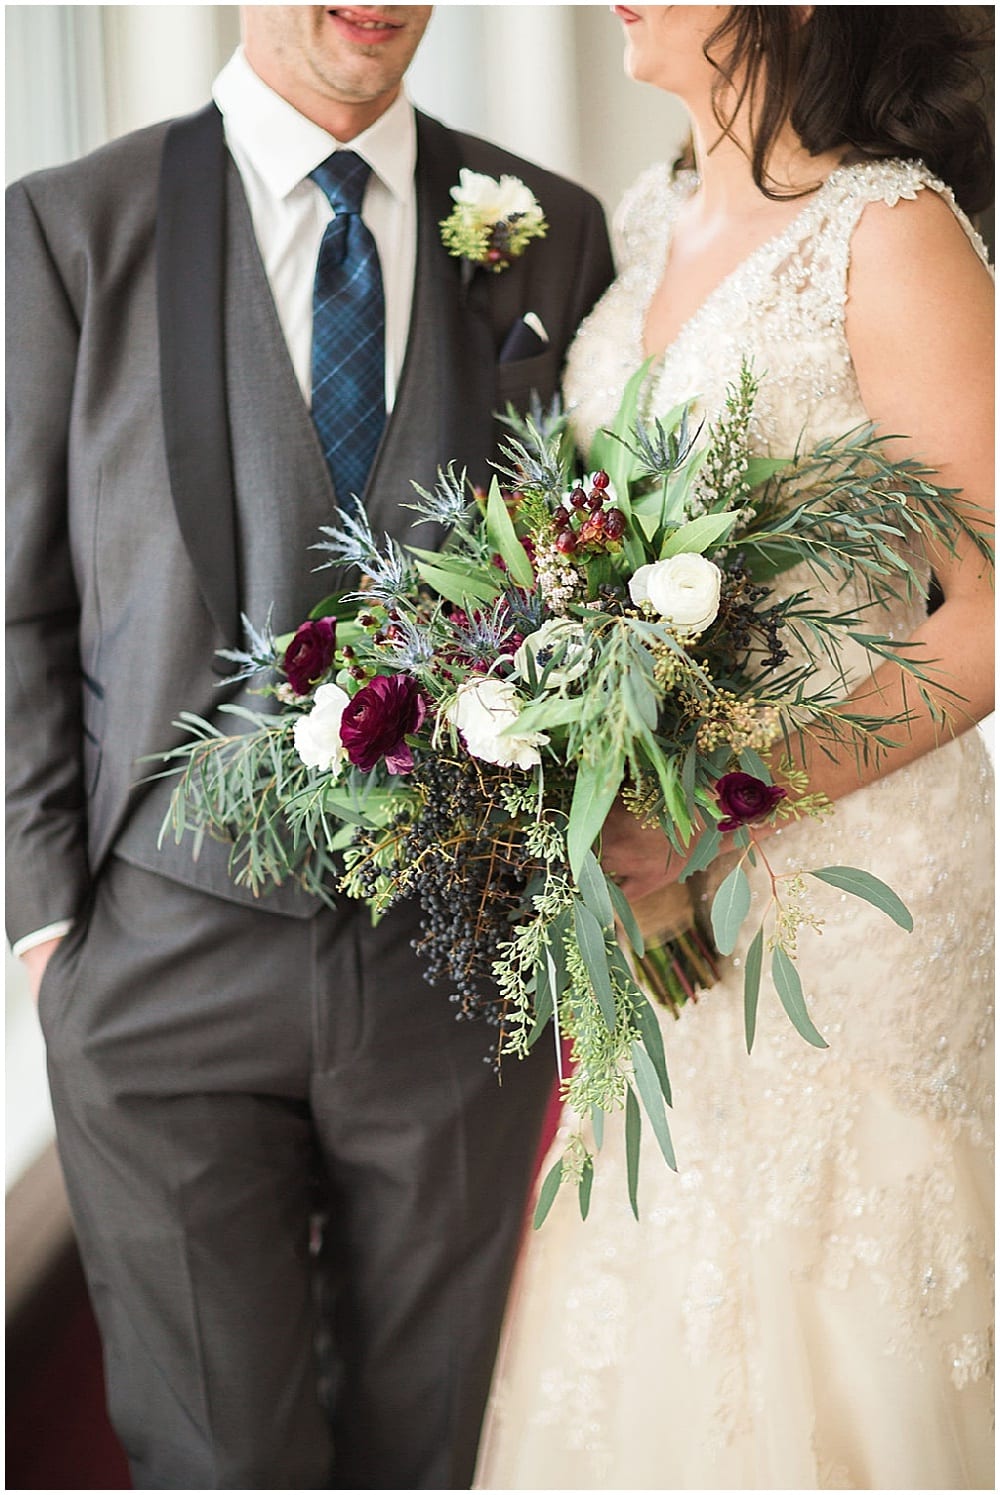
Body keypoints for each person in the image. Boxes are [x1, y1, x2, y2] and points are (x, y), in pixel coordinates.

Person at [5, 6, 614, 1487]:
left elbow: (598, 577)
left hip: (452, 970)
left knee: (434, 1450)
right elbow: (15, 597)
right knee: (219, 1459)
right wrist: (47, 932)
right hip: (162, 956)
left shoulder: (549, 232)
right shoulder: (71, 228)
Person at [476, 6, 994, 1489]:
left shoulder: (891, 234)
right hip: (658, 893)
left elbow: (985, 613)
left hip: (856, 898)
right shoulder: (646, 217)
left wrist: (719, 798)